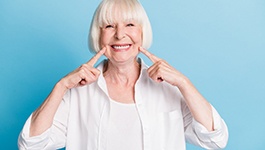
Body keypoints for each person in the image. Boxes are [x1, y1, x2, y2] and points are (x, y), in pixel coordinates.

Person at [18, 0, 229, 149]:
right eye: (109, 26)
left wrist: (184, 83)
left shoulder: (168, 87)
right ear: (98, 35)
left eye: (130, 24)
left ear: (142, 32)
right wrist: (61, 86)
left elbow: (215, 140)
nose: (120, 34)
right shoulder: (77, 93)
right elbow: (30, 145)